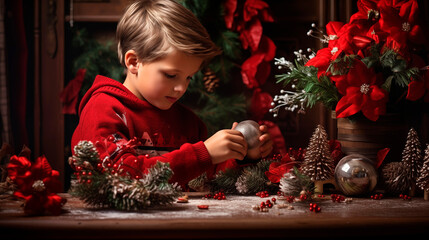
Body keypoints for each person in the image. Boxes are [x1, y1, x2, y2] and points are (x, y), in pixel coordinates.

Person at [71, 0, 273, 189]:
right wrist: (203, 154)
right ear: (134, 62)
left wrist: (243, 155)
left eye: (188, 78)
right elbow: (118, 176)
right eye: (171, 75)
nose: (181, 88)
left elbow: (210, 178)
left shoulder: (186, 122)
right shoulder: (104, 109)